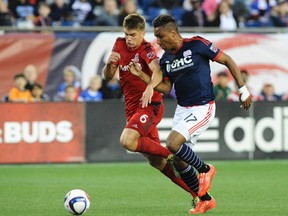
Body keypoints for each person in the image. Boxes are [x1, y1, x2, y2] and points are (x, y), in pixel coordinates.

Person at [128, 14, 252, 214]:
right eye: (156, 37)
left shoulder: (197, 44)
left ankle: (206, 169)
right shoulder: (167, 59)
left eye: (160, 36)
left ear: (173, 32)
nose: (158, 42)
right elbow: (167, 88)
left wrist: (242, 89)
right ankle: (205, 200)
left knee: (172, 144)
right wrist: (141, 76)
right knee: (178, 160)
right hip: (182, 109)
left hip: (203, 106)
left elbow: (227, 60)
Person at [103, 13, 199, 208]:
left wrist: (149, 87)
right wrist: (108, 64)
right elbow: (108, 77)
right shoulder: (119, 44)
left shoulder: (146, 49)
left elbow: (157, 69)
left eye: (133, 35)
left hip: (150, 106)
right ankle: (199, 194)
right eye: (126, 35)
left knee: (127, 140)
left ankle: (171, 154)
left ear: (142, 33)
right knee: (156, 162)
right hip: (132, 110)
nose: (129, 39)